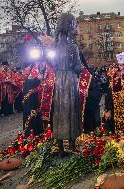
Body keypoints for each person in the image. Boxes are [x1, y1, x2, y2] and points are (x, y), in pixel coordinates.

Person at [53, 13, 82, 153]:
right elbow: (78, 67)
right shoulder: (73, 47)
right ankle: (72, 145)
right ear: (70, 26)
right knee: (71, 110)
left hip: (59, 81)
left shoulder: (54, 46)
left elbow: (53, 65)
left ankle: (60, 148)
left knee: (59, 111)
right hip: (70, 81)